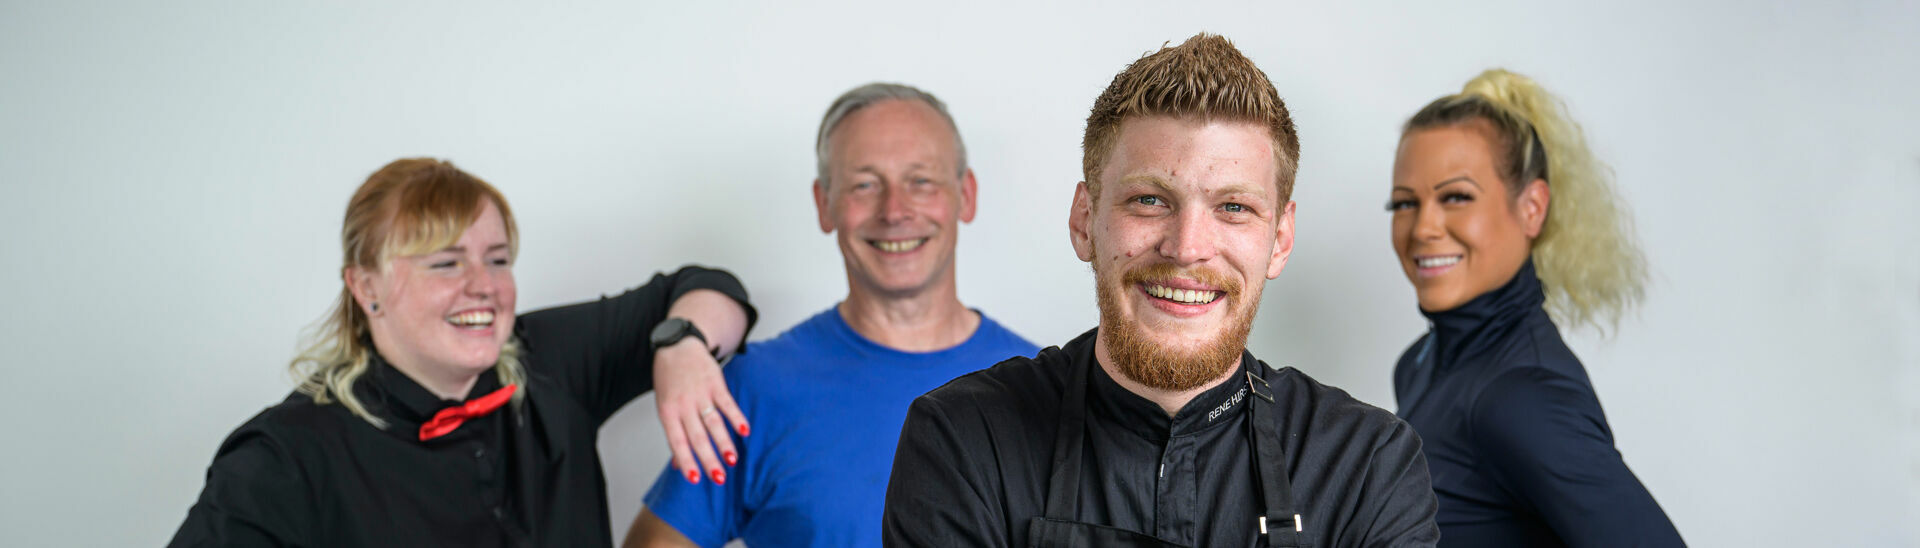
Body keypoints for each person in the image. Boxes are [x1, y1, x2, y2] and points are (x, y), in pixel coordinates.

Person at [883, 34, 1439, 547]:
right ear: (1084, 221)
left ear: (1279, 240)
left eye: (1234, 207)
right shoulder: (963, 441)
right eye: (1149, 200)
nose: (1187, 247)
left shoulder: (1367, 466)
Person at [168, 158, 758, 547]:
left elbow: (713, 288)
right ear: (365, 287)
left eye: (497, 259)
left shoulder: (548, 361)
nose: (484, 285)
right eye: (445, 263)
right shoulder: (288, 455)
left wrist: (680, 344)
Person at [626, 83, 1039, 548]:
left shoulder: (1044, 389)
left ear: (966, 195)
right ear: (824, 204)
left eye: (921, 181)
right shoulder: (756, 388)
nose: (895, 211)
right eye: (865, 184)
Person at [1385, 69, 1683, 546]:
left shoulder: (1520, 396)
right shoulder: (1419, 363)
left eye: (1456, 197)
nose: (1423, 228)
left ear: (1532, 208)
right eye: (1403, 204)